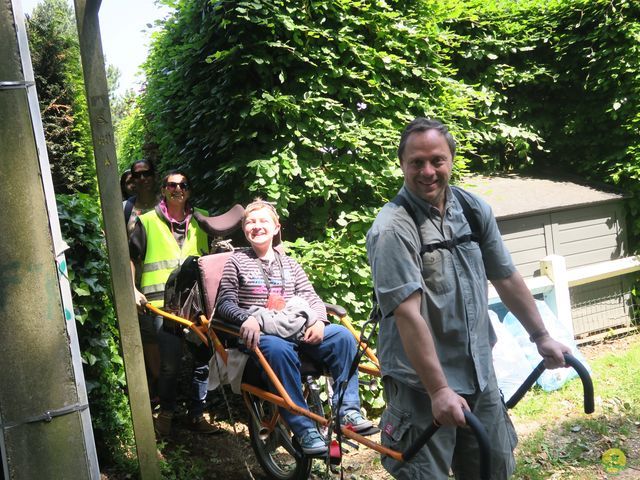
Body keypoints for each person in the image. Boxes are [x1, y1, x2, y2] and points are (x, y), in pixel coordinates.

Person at [366, 118, 571, 479]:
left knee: (493, 469)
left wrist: (541, 337)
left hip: (479, 376)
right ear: (402, 164)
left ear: (451, 160)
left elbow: (506, 276)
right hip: (421, 389)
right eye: (417, 162)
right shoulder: (392, 228)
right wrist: (439, 389)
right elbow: (408, 314)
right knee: (423, 475)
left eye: (437, 160)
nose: (428, 171)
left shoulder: (473, 210)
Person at [216, 200, 373, 455]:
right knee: (278, 348)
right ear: (244, 229)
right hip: (262, 338)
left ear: (276, 227)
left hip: (296, 331)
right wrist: (245, 318)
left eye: (263, 221)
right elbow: (224, 303)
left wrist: (320, 322)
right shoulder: (236, 261)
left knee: (342, 337)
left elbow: (312, 298)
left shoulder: (290, 263)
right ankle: (304, 429)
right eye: (250, 222)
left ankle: (348, 411)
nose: (257, 227)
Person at [129, 170, 220, 436]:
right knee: (169, 364)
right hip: (162, 304)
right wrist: (132, 289)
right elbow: (131, 257)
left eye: (182, 185)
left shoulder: (202, 219)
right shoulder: (146, 221)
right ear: (164, 190)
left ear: (189, 191)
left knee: (202, 362)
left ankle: (196, 415)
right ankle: (166, 414)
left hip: (197, 305)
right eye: (171, 185)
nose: (177, 189)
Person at [123, 159, 161, 405]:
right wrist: (132, 288)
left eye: (147, 174)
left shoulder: (166, 204)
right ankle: (159, 387)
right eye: (137, 176)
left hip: (167, 282)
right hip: (141, 285)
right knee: (150, 337)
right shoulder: (125, 209)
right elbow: (123, 252)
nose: (142, 179)